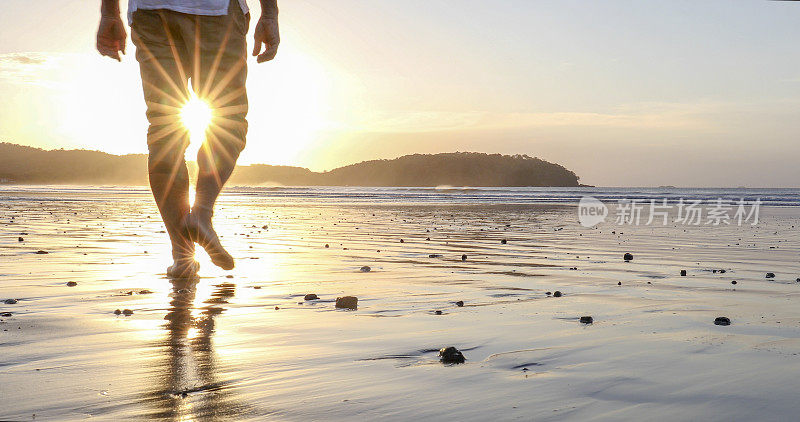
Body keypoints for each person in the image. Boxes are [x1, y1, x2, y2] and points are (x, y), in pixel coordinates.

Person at [96, 0, 279, 277]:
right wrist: (269, 14)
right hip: (215, 11)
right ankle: (201, 213)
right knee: (228, 119)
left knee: (164, 128)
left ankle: (182, 257)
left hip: (152, 11)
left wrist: (110, 11)